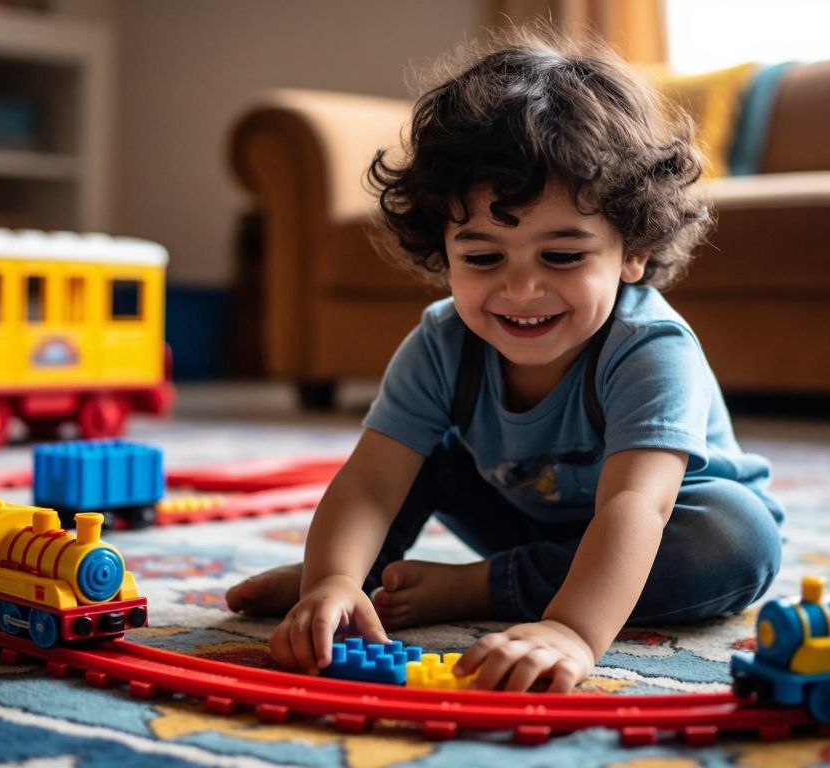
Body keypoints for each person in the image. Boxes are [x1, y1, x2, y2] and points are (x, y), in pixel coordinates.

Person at [226, 28, 784, 693]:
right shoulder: (442, 343)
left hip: (662, 526)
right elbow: (373, 481)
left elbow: (638, 505)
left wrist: (571, 630)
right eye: (485, 258)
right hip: (523, 516)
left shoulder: (650, 349)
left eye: (563, 256)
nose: (521, 290)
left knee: (737, 537)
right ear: (444, 249)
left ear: (632, 249)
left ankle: (475, 588)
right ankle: (362, 578)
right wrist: (331, 581)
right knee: (414, 453)